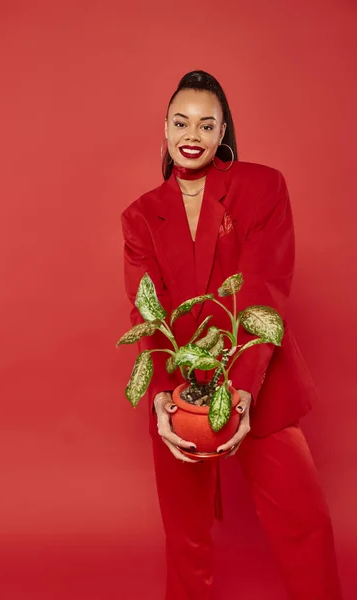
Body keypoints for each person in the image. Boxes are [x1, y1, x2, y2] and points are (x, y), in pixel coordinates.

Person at [120, 70, 343, 600]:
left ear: (223, 134)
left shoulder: (263, 187)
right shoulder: (140, 216)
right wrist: (159, 403)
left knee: (304, 525)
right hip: (180, 390)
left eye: (206, 123)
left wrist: (241, 393)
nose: (191, 133)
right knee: (186, 542)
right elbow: (145, 314)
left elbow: (265, 289)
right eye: (180, 121)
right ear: (165, 130)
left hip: (257, 380)